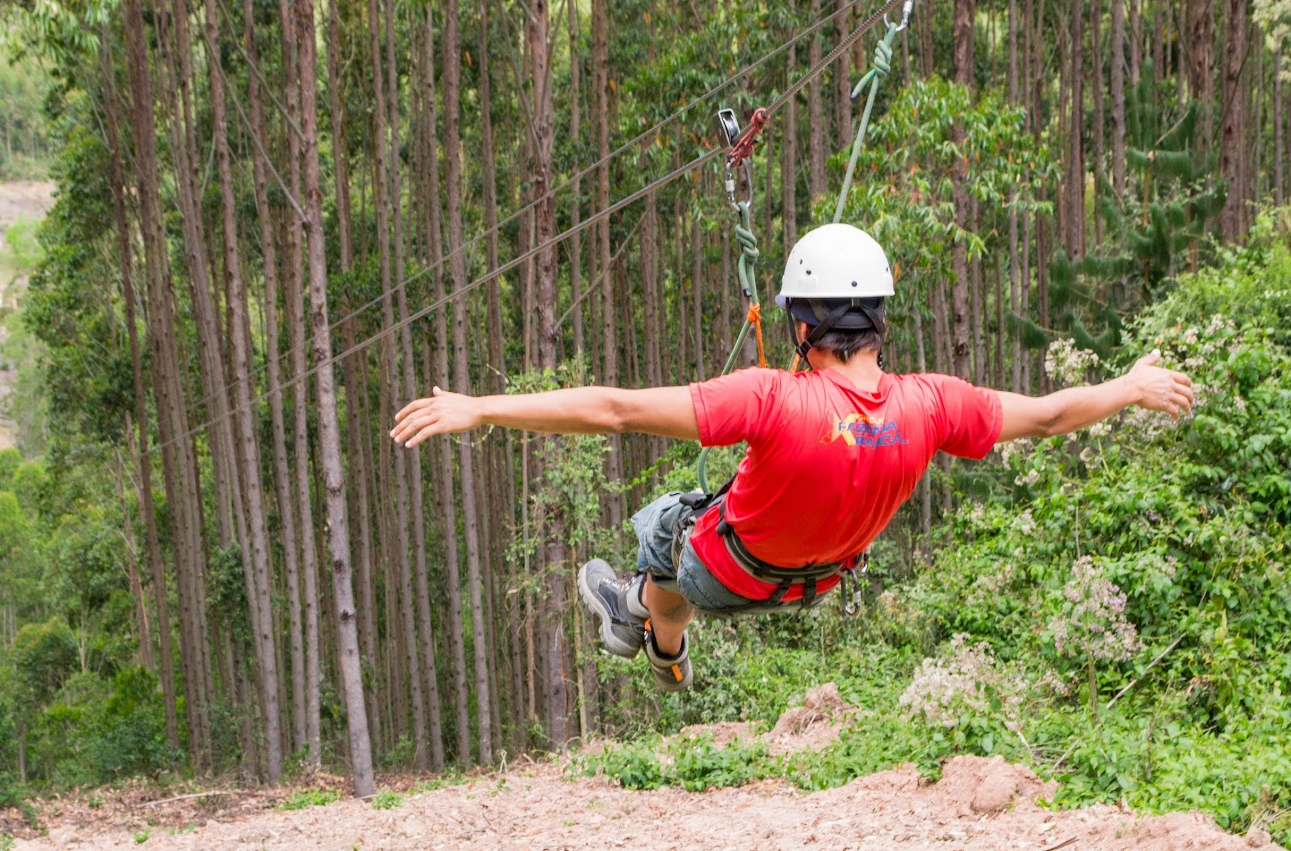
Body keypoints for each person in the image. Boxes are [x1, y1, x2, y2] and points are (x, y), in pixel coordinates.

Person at [390, 224, 1194, 692]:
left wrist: (481, 407)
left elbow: (616, 409)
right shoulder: (932, 402)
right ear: (879, 317)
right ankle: (652, 628)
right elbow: (1051, 416)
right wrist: (1127, 384)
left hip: (730, 572)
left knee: (669, 525)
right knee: (691, 535)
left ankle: (648, 622)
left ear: (802, 325)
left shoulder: (771, 397)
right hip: (818, 582)